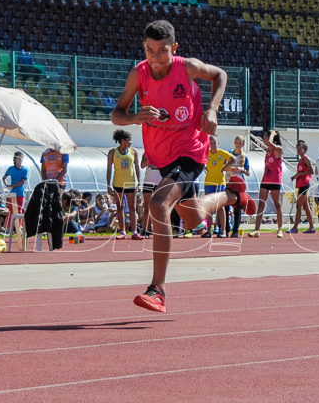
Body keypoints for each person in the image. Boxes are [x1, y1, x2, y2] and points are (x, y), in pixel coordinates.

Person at [110, 19, 256, 313]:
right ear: (144, 48)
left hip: (191, 150)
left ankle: (157, 289)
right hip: (161, 156)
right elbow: (117, 114)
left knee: (159, 203)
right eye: (150, 50)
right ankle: (232, 196)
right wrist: (136, 117)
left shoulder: (187, 67)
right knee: (191, 218)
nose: (156, 57)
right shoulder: (138, 74)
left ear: (173, 49)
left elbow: (220, 75)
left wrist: (212, 108)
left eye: (162, 51)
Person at [106, 129, 144, 240]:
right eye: (129, 140)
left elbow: (137, 167)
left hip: (131, 183)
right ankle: (122, 231)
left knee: (132, 207)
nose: (131, 142)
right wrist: (108, 185)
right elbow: (109, 169)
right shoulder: (113, 152)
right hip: (118, 183)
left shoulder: (133, 152)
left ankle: (134, 231)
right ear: (123, 140)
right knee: (120, 207)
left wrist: (139, 183)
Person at [247, 130, 284, 238]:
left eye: (266, 137)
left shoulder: (278, 149)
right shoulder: (268, 150)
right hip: (265, 180)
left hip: (275, 180)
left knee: (277, 204)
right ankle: (256, 229)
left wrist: (273, 134)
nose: (264, 139)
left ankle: (280, 229)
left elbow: (271, 144)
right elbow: (268, 145)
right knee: (261, 204)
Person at [202, 134, 235, 237]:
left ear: (218, 143)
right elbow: (200, 159)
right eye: (211, 143)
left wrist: (225, 166)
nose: (213, 145)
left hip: (220, 182)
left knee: (220, 207)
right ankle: (209, 231)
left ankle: (223, 230)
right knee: (209, 207)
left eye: (214, 143)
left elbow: (233, 158)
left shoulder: (222, 153)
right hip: (209, 182)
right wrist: (204, 166)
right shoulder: (206, 153)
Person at [289, 141, 316, 234]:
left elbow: (311, 171)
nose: (298, 150)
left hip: (304, 184)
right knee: (305, 206)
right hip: (300, 184)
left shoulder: (306, 159)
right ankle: (312, 227)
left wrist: (300, 174)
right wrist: (295, 176)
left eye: (300, 149)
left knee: (298, 206)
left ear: (305, 150)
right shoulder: (300, 160)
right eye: (297, 149)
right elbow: (301, 172)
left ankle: (295, 227)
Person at [2, 150, 29, 228]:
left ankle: (18, 227)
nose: (20, 159)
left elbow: (22, 182)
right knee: (11, 210)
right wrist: (7, 185)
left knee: (19, 210)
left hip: (20, 193)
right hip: (12, 193)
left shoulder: (25, 170)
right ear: (15, 159)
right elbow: (4, 177)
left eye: (21, 158)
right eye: (18, 158)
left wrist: (12, 185)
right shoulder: (11, 168)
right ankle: (9, 227)